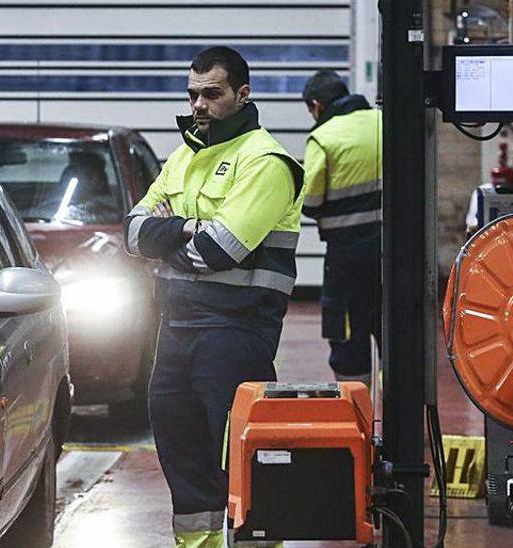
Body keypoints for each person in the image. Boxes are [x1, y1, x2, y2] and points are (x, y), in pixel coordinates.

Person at [123, 46, 304, 547]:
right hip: (175, 333)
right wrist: (187, 229)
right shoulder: (186, 156)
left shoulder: (266, 162)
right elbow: (133, 234)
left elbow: (217, 251)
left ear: (242, 94)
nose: (199, 104)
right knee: (186, 469)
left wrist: (171, 235)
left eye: (212, 94)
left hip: (235, 336)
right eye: (192, 94)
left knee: (246, 470)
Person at [300, 70, 383, 384]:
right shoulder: (382, 120)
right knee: (396, 335)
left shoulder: (323, 138)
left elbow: (311, 201)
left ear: (317, 106)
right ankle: (400, 424)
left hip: (348, 259)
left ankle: (357, 416)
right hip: (394, 253)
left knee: (348, 335)